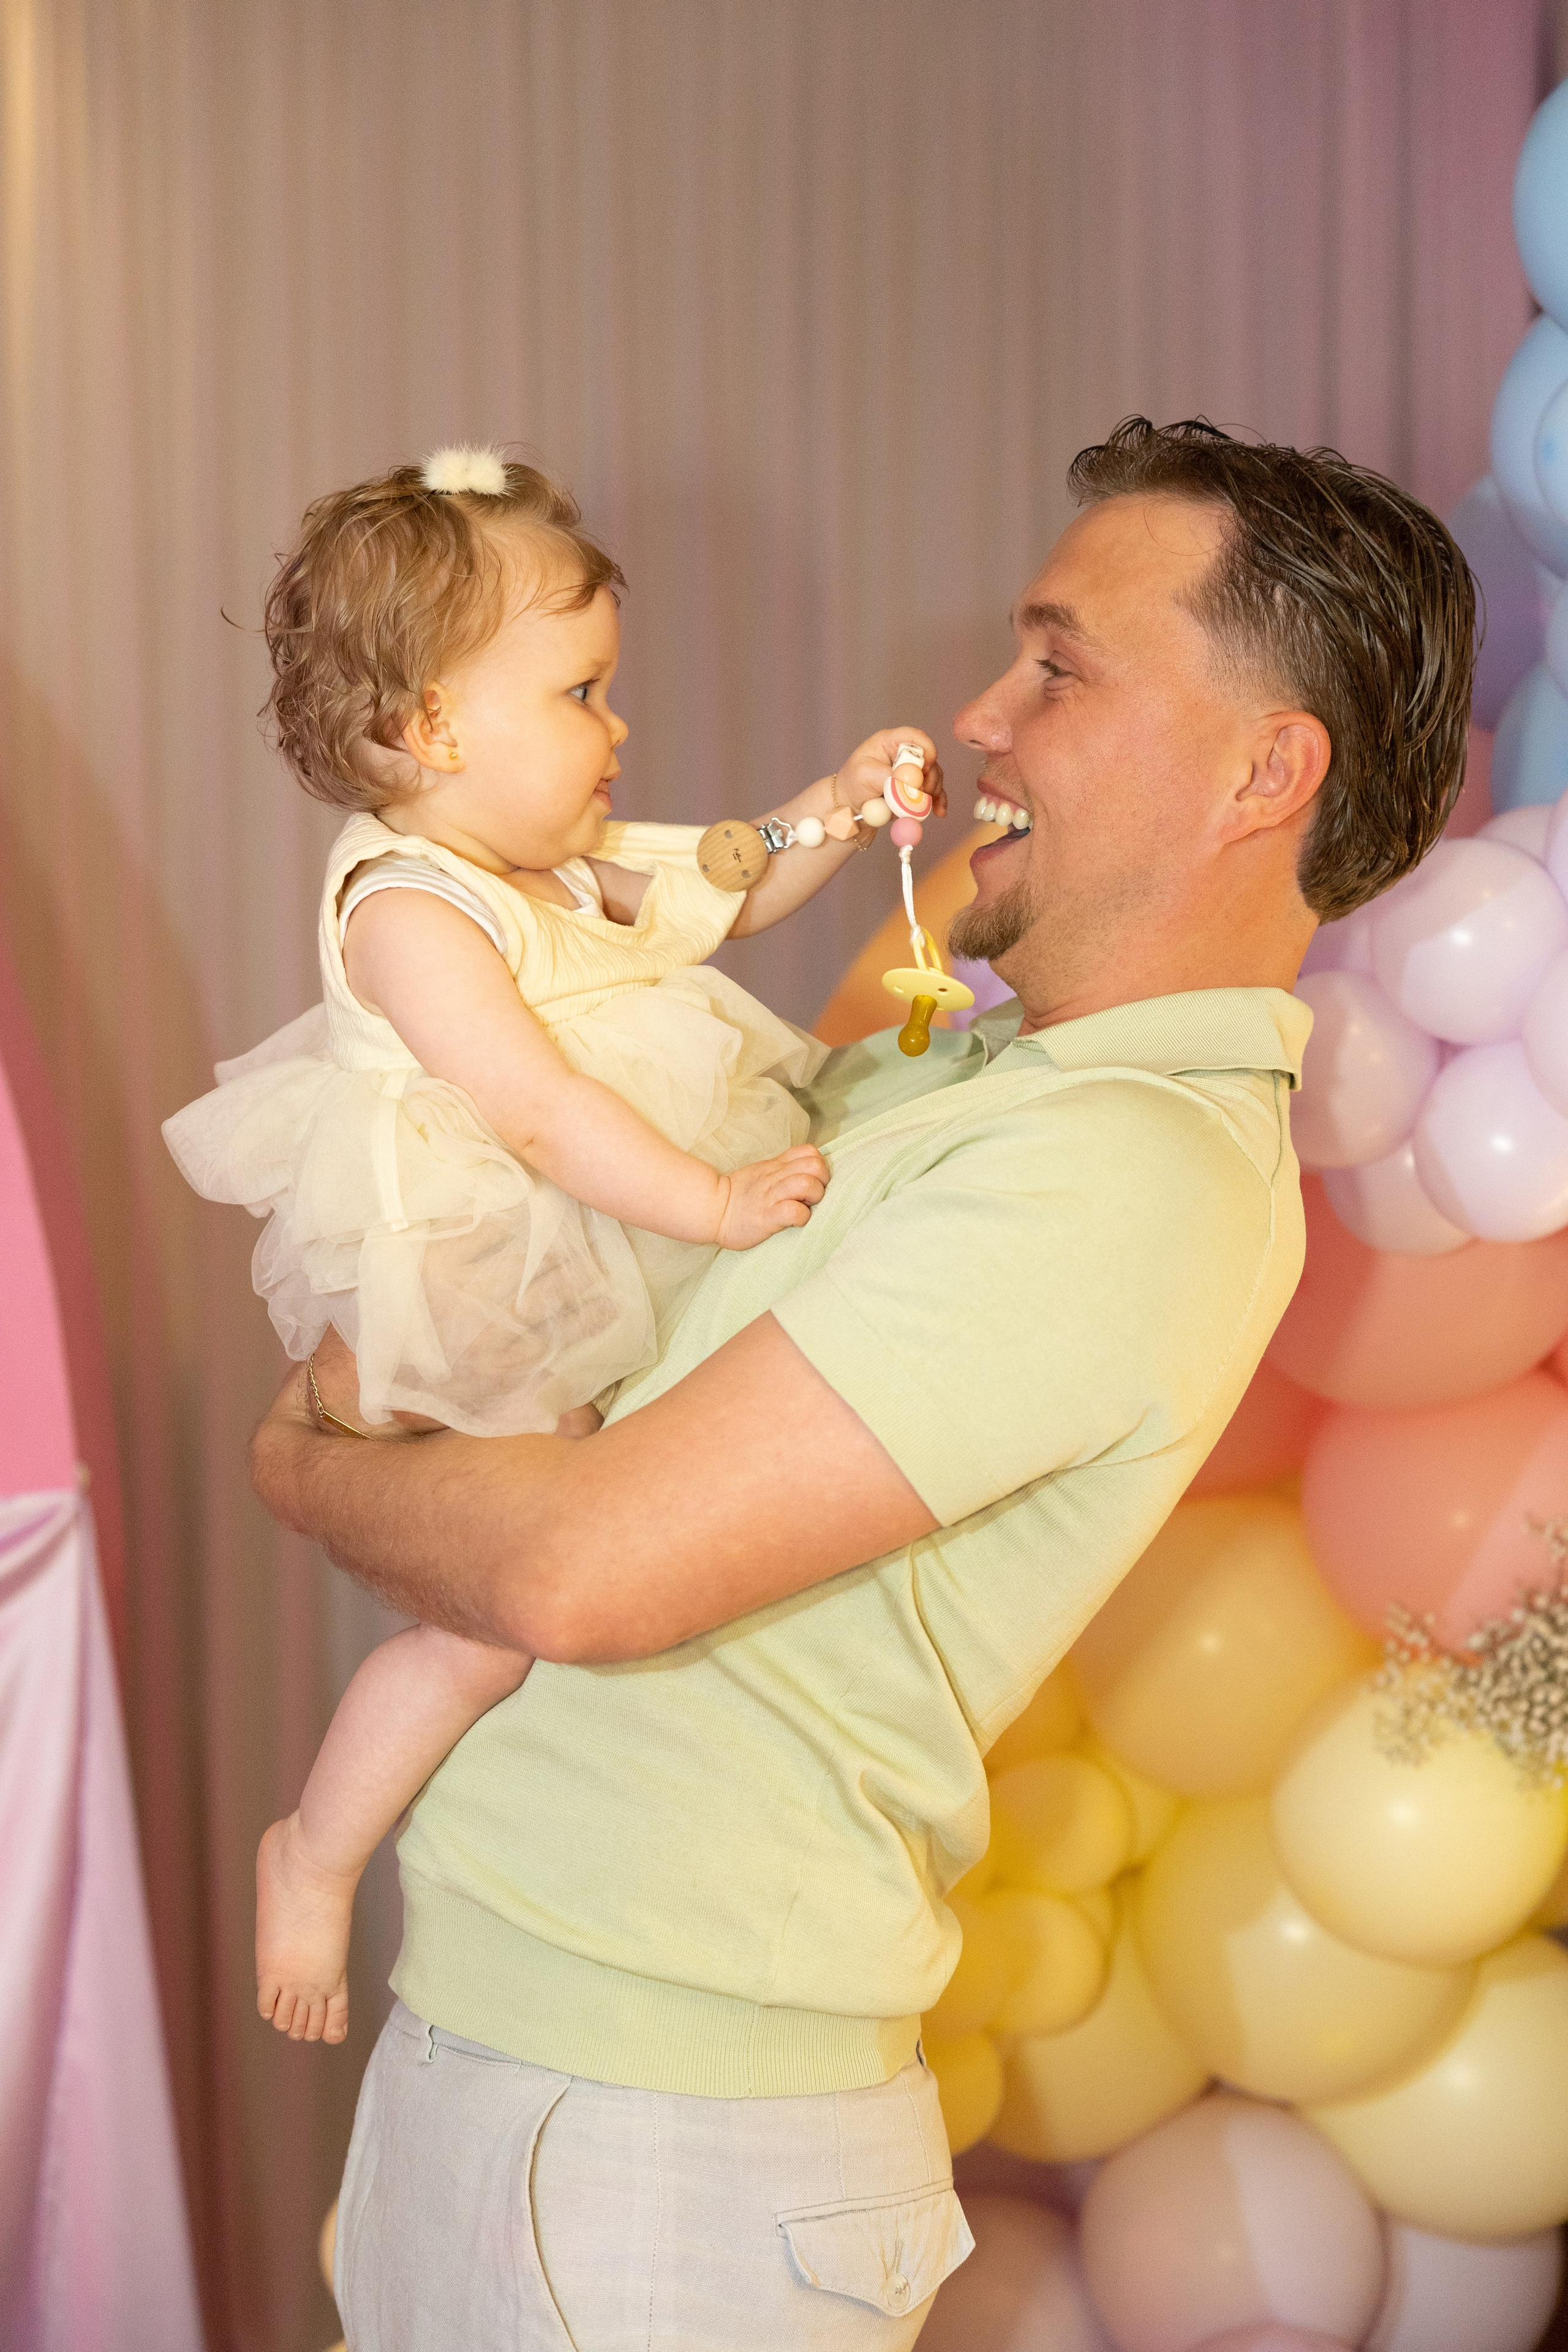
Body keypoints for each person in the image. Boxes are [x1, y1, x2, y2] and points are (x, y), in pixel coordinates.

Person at [251, 418, 1476, 2351]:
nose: (983, 715)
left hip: (663, 2135)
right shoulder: (978, 1074)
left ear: (1268, 768)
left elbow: (584, 1577)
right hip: (532, 2054)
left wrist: (301, 1468)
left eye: (1057, 668)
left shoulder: (1133, 1169)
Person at [164, 445, 945, 2047]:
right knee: (479, 1637)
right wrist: (710, 1204)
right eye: (582, 692)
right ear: (428, 729)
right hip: (486, 1255)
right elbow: (537, 1115)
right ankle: (315, 1850)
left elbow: (729, 884)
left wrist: (855, 804)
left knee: (571, 1551)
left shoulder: (550, 872)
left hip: (577, 1243)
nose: (618, 726)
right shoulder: (412, 911)